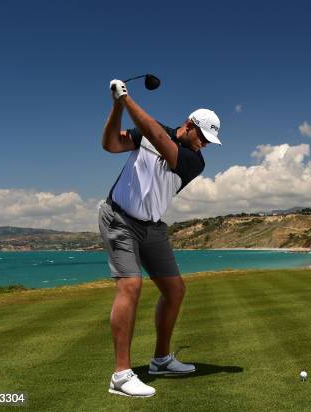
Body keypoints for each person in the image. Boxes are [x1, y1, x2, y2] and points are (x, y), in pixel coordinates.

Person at [100, 79, 221, 397]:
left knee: (175, 290)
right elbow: (111, 144)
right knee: (131, 285)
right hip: (119, 218)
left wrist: (126, 99)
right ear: (190, 125)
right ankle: (121, 375)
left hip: (152, 227)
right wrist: (116, 107)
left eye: (209, 141)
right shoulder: (152, 132)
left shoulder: (195, 162)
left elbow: (156, 135)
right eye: (204, 137)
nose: (205, 145)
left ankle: (161, 360)